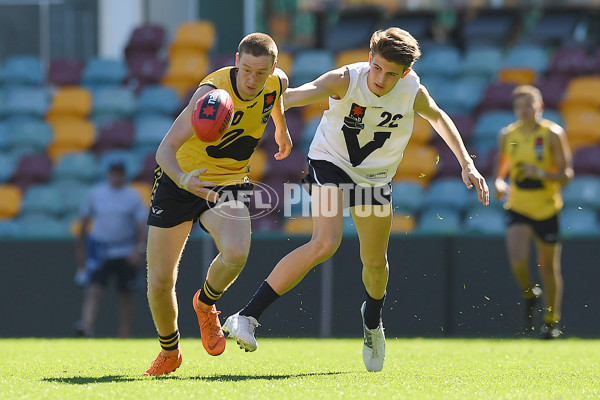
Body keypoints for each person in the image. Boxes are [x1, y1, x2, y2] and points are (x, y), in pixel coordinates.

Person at [222, 27, 489, 372]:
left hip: (375, 180)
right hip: (329, 165)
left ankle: (372, 320)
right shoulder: (346, 79)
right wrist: (270, 117)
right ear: (369, 59)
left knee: (376, 264)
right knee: (325, 242)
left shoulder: (411, 89)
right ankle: (247, 316)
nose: (381, 78)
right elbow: (293, 96)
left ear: (405, 72)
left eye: (391, 73)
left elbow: (438, 117)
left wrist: (467, 163)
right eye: (377, 68)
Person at [144, 32, 292, 376]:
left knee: (237, 253)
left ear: (272, 68)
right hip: (181, 179)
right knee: (160, 281)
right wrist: (184, 180)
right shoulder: (210, 94)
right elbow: (164, 150)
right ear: (237, 62)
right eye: (247, 70)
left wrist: (281, 127)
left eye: (261, 72)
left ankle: (206, 304)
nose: (253, 79)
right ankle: (170, 352)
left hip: (227, 182)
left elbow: (277, 94)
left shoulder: (275, 82)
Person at [493, 85, 573, 339]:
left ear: (540, 107)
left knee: (549, 269)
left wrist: (541, 173)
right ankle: (529, 293)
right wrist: (498, 183)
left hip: (547, 208)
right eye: (519, 106)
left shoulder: (552, 134)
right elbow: (500, 172)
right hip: (519, 206)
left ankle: (551, 321)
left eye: (529, 105)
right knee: (517, 259)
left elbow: (566, 175)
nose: (524, 111)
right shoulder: (508, 135)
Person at [75, 159, 148, 338]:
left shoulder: (132, 196)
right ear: (109, 174)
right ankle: (86, 325)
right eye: (113, 172)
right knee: (94, 288)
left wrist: (138, 249)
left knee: (125, 293)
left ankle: (125, 331)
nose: (116, 176)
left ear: (124, 175)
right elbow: (84, 222)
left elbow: (141, 224)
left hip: (125, 249)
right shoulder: (96, 194)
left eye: (119, 173)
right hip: (101, 249)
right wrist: (81, 249)